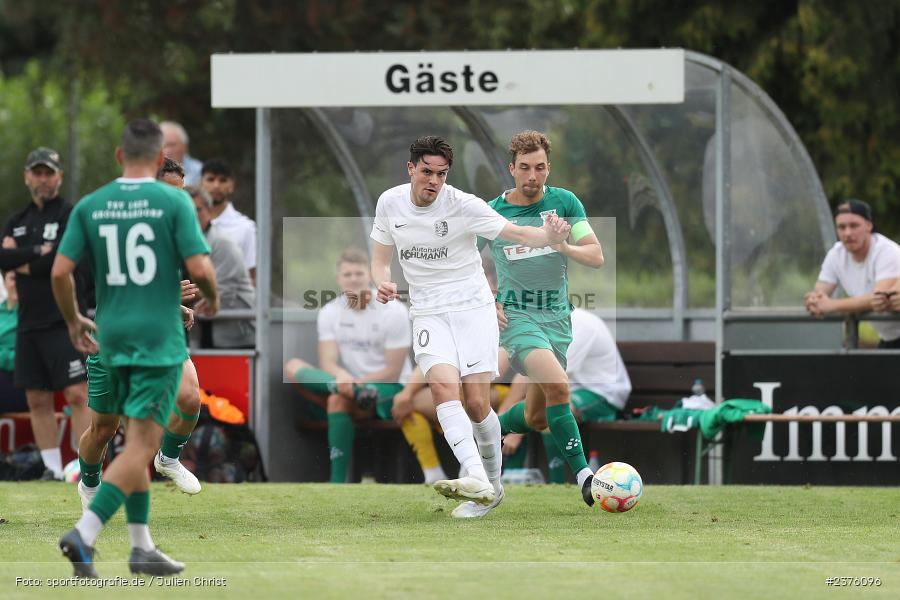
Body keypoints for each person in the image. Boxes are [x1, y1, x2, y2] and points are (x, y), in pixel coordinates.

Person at [52, 118, 219, 578]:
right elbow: (202, 269)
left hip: (111, 335)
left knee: (153, 427)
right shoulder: (170, 203)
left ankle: (141, 545)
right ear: (155, 157)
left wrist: (72, 321)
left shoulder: (93, 204)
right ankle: (84, 532)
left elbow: (59, 272)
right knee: (128, 439)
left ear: (120, 155)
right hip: (151, 341)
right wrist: (212, 298)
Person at [370, 135, 570, 514]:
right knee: (444, 387)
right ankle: (477, 477)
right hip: (428, 311)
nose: (433, 181)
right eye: (426, 172)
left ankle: (491, 488)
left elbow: (515, 232)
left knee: (477, 402)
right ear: (410, 168)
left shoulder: (463, 205)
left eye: (441, 174)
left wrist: (549, 235)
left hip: (473, 308)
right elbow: (380, 258)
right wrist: (380, 279)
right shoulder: (389, 202)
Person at [475, 130, 604, 517]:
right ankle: (584, 476)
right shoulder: (491, 211)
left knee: (535, 416)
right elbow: (464, 264)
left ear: (549, 168)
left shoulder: (564, 202)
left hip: (557, 320)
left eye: (540, 168)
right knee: (559, 387)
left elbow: (596, 256)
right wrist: (487, 302)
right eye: (525, 168)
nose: (533, 176)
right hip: (517, 319)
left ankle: (493, 429)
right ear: (511, 168)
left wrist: (562, 245)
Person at [284, 247, 447, 483]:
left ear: (369, 276)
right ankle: (348, 392)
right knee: (292, 366)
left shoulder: (393, 311)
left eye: (358, 274)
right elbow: (327, 361)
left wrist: (354, 382)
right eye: (347, 274)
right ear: (339, 279)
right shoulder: (330, 311)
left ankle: (337, 483)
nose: (353, 279)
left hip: (389, 387)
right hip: (351, 388)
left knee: (337, 398)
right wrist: (343, 378)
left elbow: (392, 369)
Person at [0, 147, 90, 480]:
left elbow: (59, 262)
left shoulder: (69, 214)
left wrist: (21, 259)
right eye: (37, 172)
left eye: (49, 172)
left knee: (77, 393)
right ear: (27, 176)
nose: (43, 179)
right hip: (29, 321)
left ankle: (86, 466)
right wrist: (38, 254)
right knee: (37, 397)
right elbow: (3, 259)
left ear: (59, 177)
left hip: (64, 318)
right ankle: (51, 470)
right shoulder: (17, 220)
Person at [501, 308, 631, 483]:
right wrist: (500, 422)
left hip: (602, 393)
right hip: (572, 386)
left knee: (549, 410)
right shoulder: (541, 323)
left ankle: (558, 484)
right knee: (514, 408)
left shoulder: (580, 327)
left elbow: (554, 383)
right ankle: (508, 479)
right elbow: (524, 376)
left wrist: (515, 433)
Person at [805, 200, 900, 347]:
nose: (848, 233)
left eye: (854, 226)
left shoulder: (887, 251)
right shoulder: (836, 253)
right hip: (889, 337)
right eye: (841, 227)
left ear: (869, 226)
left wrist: (832, 305)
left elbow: (879, 299)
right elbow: (820, 293)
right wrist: (813, 301)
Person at [187, 186, 255, 348]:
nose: (193, 216)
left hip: (235, 337)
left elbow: (222, 291)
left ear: (209, 212)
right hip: (204, 332)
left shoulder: (222, 242)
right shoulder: (186, 241)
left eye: (198, 210)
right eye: (188, 210)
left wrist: (183, 297)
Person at [201, 158, 257, 285]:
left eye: (223, 180)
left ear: (231, 186)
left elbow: (252, 276)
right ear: (201, 183)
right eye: (211, 179)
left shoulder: (246, 227)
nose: (216, 185)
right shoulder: (189, 223)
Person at [0, 271, 28, 413]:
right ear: (4, 282)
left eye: (21, 279)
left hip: (22, 378)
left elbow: (28, 354)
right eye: (13, 279)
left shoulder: (33, 314)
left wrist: (4, 357)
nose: (17, 282)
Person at [160, 121, 203, 186]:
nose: (167, 151)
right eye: (164, 146)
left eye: (172, 145)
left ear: (185, 147)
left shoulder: (199, 171)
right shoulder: (151, 171)